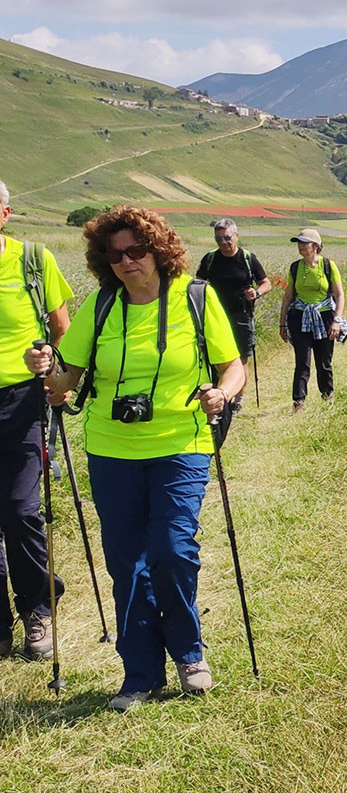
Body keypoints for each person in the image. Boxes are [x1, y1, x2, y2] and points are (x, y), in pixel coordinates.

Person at [23, 205, 243, 711]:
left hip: (181, 444)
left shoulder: (195, 297)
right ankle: (139, 673)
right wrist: (43, 368)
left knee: (171, 549)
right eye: (115, 254)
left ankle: (189, 652)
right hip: (110, 448)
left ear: (158, 250)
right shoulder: (100, 307)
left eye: (136, 250)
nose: (126, 261)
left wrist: (222, 395)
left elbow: (233, 367)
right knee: (127, 562)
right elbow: (64, 384)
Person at [0, 180, 74, 661]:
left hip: (22, 400)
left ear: (5, 213)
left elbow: (63, 328)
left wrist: (50, 359)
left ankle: (36, 609)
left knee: (21, 510)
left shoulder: (32, 260)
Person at [277, 228, 346, 411]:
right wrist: (282, 322)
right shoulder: (295, 267)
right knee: (302, 360)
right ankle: (299, 401)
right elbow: (288, 296)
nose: (300, 246)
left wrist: (337, 320)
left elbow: (339, 295)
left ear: (315, 246)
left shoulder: (328, 266)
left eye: (303, 242)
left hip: (324, 317)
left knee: (324, 360)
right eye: (298, 242)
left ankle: (327, 395)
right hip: (300, 317)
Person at [195, 218, 270, 360]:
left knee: (241, 359)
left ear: (237, 236)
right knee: (217, 359)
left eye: (227, 238)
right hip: (214, 316)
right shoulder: (210, 259)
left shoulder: (247, 258)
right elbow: (198, 284)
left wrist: (256, 293)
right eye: (218, 238)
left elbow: (266, 283)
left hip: (241, 316)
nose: (223, 242)